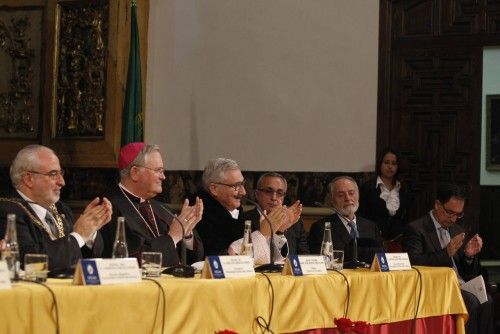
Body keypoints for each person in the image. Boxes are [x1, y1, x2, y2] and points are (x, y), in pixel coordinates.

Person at [0, 145, 112, 273]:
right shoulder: (7, 212)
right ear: (29, 179)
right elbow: (31, 260)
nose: (62, 182)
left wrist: (90, 231)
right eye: (53, 174)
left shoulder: (61, 209)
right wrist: (79, 235)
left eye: (60, 173)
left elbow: (85, 257)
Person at [402, 183, 494, 334]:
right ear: (438, 204)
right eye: (450, 213)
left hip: (459, 285)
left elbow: (467, 273)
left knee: (487, 301)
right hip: (434, 289)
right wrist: (446, 253)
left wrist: (468, 256)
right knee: (469, 301)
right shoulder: (416, 229)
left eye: (458, 214)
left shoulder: (457, 230)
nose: (453, 219)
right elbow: (413, 263)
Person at [100, 142, 204, 267]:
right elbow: (135, 262)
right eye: (158, 170)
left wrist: (186, 232)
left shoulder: (159, 208)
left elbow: (196, 258)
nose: (164, 177)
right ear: (135, 173)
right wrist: (173, 237)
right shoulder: (108, 209)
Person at [228, 172, 306, 264]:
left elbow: (304, 258)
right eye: (268, 191)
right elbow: (237, 258)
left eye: (279, 193)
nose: (274, 198)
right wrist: (265, 232)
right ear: (257, 194)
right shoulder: (242, 220)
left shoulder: (295, 224)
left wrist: (280, 232)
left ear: (284, 197)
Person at [308, 176, 383, 264]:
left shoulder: (370, 227)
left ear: (358, 195)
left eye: (351, 193)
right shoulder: (321, 228)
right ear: (332, 200)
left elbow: (381, 259)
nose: (347, 198)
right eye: (341, 195)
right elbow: (321, 263)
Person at [358, 148, 411, 241]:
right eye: (386, 163)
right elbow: (361, 216)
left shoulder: (404, 188)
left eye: (394, 163)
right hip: (372, 240)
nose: (390, 166)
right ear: (380, 164)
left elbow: (407, 218)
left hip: (398, 242)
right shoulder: (368, 187)